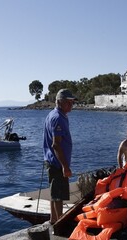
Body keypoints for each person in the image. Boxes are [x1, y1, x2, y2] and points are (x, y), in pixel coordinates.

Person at [43, 88, 76, 228]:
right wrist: (65, 166)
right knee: (58, 196)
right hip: (57, 163)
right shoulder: (57, 118)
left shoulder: (57, 115)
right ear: (60, 102)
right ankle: (58, 224)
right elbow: (56, 145)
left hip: (52, 161)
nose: (71, 105)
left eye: (72, 102)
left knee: (54, 193)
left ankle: (52, 220)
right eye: (69, 102)